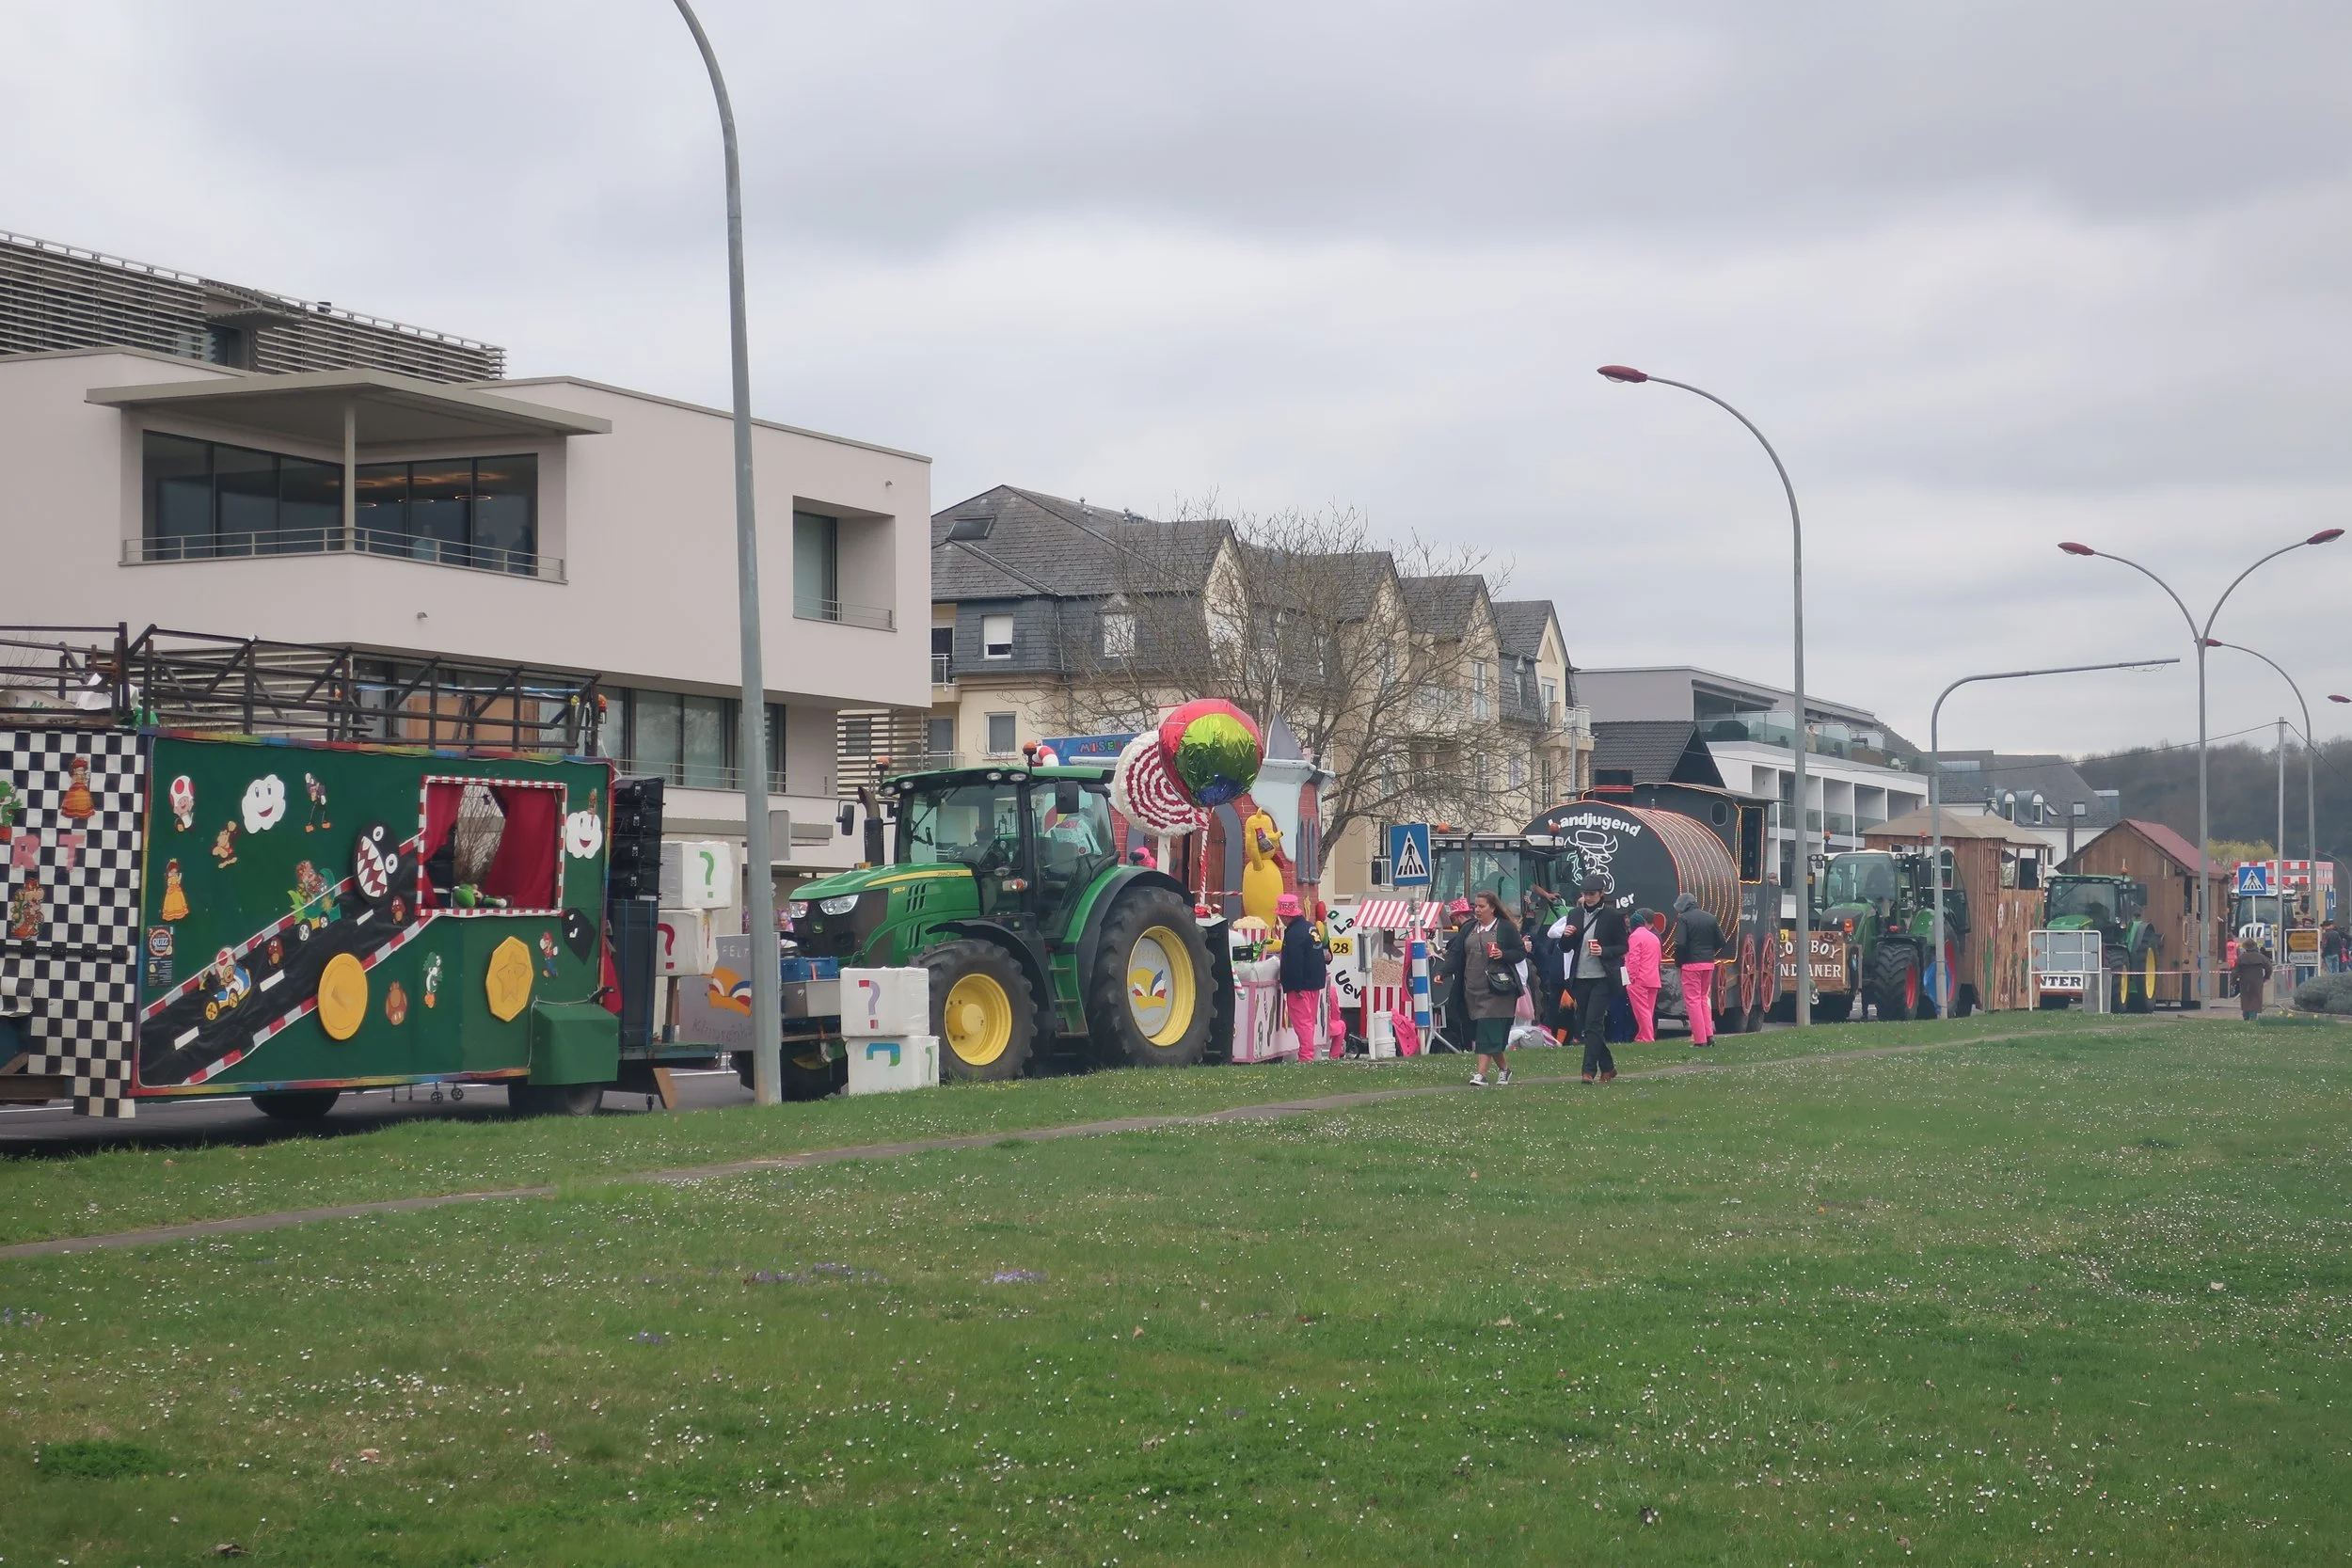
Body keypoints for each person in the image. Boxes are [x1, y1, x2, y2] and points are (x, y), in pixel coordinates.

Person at [1552, 875, 1628, 1084]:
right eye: (1585, 894)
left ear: (1602, 894)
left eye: (1592, 894)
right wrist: (1567, 936)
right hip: (1579, 976)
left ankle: (1587, 1072)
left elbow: (1623, 947)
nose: (1589, 898)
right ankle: (1608, 1066)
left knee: (1594, 1023)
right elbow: (1564, 948)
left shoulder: (1612, 916)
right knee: (1586, 1025)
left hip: (1602, 977)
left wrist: (1603, 950)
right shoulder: (1575, 914)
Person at [1462, 891, 1528, 1086]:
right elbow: (1458, 952)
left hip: (1498, 988)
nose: (1477, 910)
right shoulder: (1470, 928)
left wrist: (1503, 954)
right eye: (1476, 906)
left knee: (1486, 1028)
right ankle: (1504, 1070)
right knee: (1486, 1031)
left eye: (1482, 906)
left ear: (1492, 908)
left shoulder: (1505, 927)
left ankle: (1480, 1074)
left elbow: (1520, 952)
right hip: (1475, 987)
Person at [1278, 893, 1333, 1060]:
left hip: (1300, 986)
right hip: (1315, 982)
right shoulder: (1311, 928)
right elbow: (1322, 954)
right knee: (1309, 1021)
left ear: (1286, 915)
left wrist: (1295, 986)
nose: (1280, 917)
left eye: (1281, 915)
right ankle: (1307, 1055)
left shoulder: (1294, 934)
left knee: (1302, 1023)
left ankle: (1306, 1057)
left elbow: (1294, 961)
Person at [1669, 892, 1725, 1047]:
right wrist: (1709, 952)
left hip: (1690, 964)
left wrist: (1679, 962)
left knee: (1692, 1001)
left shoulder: (1684, 919)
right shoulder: (1710, 918)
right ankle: (1709, 1035)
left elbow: (1680, 943)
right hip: (1708, 964)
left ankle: (1699, 1039)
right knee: (1702, 999)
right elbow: (1722, 941)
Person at [1626, 908, 1662, 1042]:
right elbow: (1659, 959)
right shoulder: (1654, 936)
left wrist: (1631, 977)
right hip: (1654, 979)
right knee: (1648, 1010)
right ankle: (1642, 1035)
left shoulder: (1635, 936)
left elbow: (1633, 959)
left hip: (1639, 979)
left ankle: (1647, 1037)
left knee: (1641, 1011)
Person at [2233, 937, 2274, 1022]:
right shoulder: (2261, 957)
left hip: (2244, 981)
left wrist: (2233, 982)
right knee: (2255, 998)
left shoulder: (2241, 958)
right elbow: (2269, 968)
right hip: (2257, 981)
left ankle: (2246, 1016)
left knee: (2245, 999)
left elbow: (2235, 972)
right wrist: (2266, 977)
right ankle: (2253, 1017)